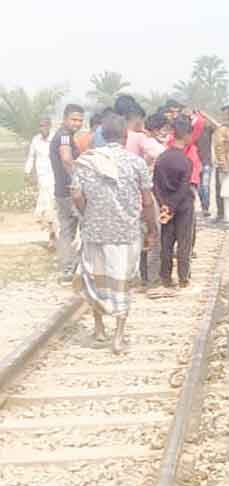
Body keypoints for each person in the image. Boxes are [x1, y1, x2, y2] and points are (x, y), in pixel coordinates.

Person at [70, 115, 158, 354]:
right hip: (125, 233)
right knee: (121, 281)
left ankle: (99, 328)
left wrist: (87, 214)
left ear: (101, 135)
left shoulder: (86, 162)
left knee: (96, 277)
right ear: (125, 136)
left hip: (94, 232)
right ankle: (118, 337)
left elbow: (76, 196)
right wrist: (152, 229)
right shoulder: (136, 163)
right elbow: (147, 201)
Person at [153, 118, 196, 288]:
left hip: (165, 207)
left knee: (166, 242)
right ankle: (183, 278)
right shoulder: (186, 161)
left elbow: (155, 185)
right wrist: (174, 204)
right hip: (183, 207)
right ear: (186, 136)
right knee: (184, 242)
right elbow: (184, 187)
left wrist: (165, 205)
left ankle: (165, 277)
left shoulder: (162, 158)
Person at [50, 104, 84, 282]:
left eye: (80, 120)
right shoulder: (64, 137)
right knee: (84, 227)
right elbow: (66, 158)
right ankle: (75, 268)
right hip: (70, 191)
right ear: (65, 118)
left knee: (66, 231)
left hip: (60, 190)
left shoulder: (65, 135)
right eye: (74, 119)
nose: (77, 123)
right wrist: (77, 180)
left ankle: (66, 270)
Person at [24, 118, 57, 246]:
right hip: (42, 180)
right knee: (44, 210)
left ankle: (52, 237)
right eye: (40, 126)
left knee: (52, 208)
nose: (42, 128)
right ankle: (51, 235)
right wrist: (27, 172)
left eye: (45, 125)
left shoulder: (55, 139)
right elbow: (31, 157)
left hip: (54, 179)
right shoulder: (35, 140)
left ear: (49, 126)